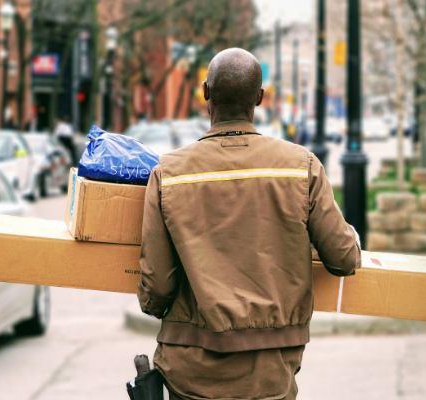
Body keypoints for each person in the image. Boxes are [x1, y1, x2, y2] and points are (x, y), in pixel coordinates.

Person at [137, 48, 361, 400]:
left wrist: (156, 307)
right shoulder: (301, 167)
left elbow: (158, 286)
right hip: (270, 371)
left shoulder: (168, 174)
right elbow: (343, 258)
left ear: (205, 94)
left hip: (189, 369)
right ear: (259, 97)